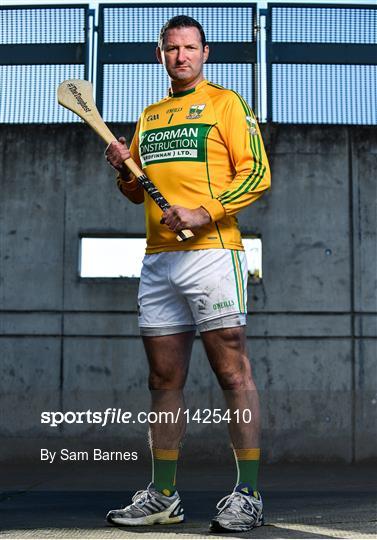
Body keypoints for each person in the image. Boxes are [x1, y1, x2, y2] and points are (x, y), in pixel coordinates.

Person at [104, 15, 271, 533]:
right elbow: (137, 191)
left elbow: (258, 174)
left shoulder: (227, 104)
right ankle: (164, 496)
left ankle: (248, 493)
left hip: (213, 253)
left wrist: (205, 211)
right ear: (160, 55)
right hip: (159, 259)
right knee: (162, 380)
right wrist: (123, 168)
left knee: (231, 371)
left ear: (205, 52)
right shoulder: (150, 116)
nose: (181, 56)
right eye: (171, 48)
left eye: (190, 47)